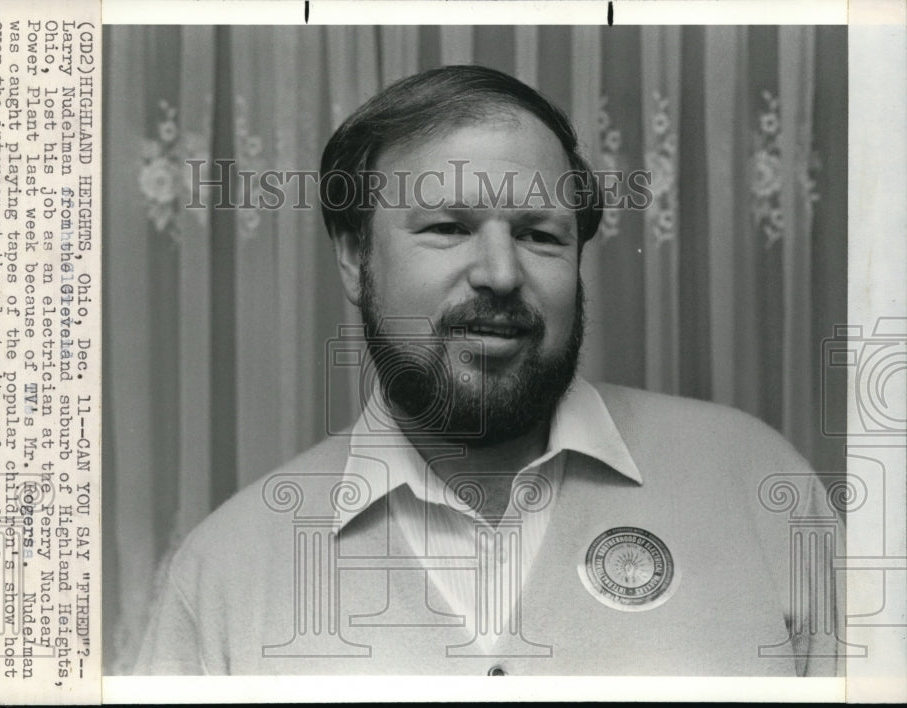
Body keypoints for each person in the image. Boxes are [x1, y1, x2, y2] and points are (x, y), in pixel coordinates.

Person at [135, 65, 843, 676]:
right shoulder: (225, 572)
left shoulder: (755, 484)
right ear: (355, 259)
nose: (501, 274)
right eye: (448, 228)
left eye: (539, 236)